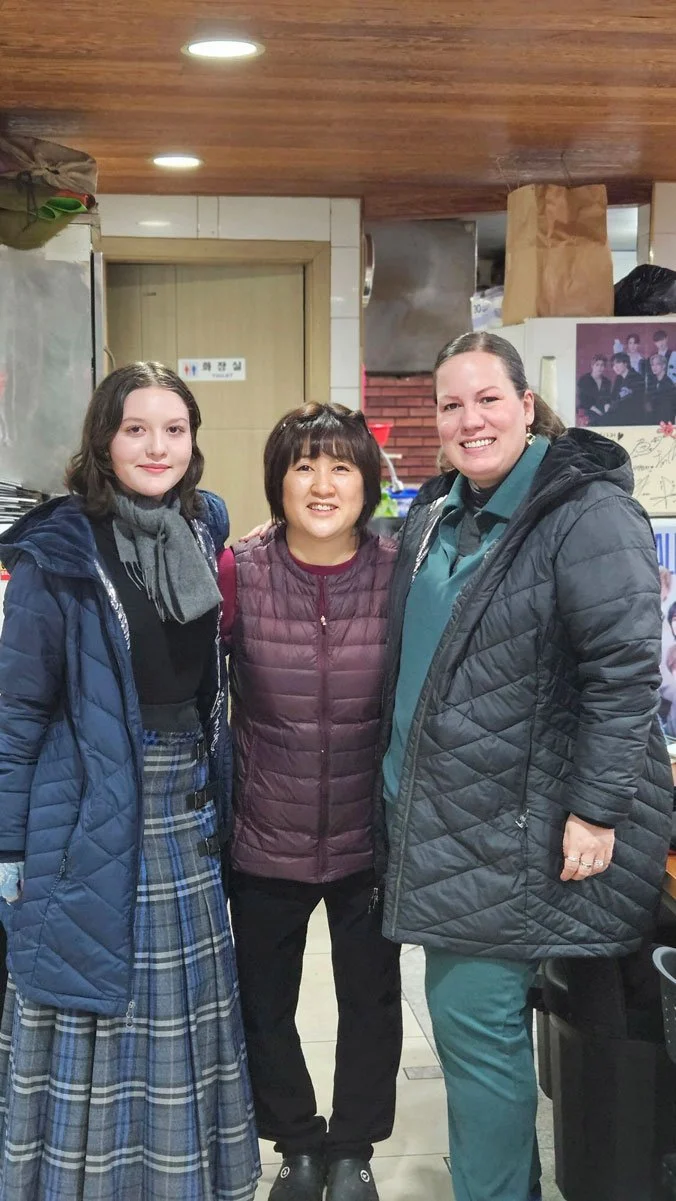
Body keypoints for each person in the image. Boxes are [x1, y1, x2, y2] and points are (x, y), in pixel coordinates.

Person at [377, 331, 673, 1201]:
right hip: (448, 822)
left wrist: (596, 807)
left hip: (517, 826)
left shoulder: (582, 512)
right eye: (451, 404)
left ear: (527, 404)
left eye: (488, 399)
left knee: (476, 1039)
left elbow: (625, 672)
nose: (470, 420)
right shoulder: (441, 511)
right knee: (488, 1043)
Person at [0, 362, 260, 1200]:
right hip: (87, 819)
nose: (157, 445)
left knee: (179, 1026)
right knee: (95, 1013)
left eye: (174, 429)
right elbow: (17, 711)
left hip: (186, 815)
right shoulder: (60, 553)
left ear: (193, 442)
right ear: (103, 441)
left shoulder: (200, 529)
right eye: (136, 428)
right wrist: (6, 845)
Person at [218, 403, 402, 1201]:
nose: (322, 484)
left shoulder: (401, 571)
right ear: (278, 480)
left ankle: (353, 1144)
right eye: (303, 466)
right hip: (267, 828)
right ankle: (294, 1141)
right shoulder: (240, 570)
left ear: (367, 483)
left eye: (341, 467)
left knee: (371, 999)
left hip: (372, 834)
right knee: (265, 999)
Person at [603, 351, 646, 423]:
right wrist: (607, 404)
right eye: (613, 365)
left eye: (618, 363)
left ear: (626, 363)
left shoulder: (636, 377)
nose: (615, 367)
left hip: (632, 415)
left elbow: (628, 401)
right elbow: (613, 396)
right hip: (618, 412)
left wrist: (611, 409)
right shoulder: (619, 378)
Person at [575, 353, 611, 421]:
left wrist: (607, 413)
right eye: (597, 365)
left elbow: (607, 400)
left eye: (602, 365)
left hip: (601, 411)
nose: (600, 368)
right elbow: (584, 400)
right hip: (586, 410)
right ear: (592, 366)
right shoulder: (584, 380)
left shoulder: (607, 382)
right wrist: (600, 413)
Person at [649, 352, 676, 423]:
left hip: (665, 422)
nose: (654, 367)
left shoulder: (669, 384)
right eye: (652, 365)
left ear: (663, 366)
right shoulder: (652, 382)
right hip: (654, 420)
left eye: (657, 364)